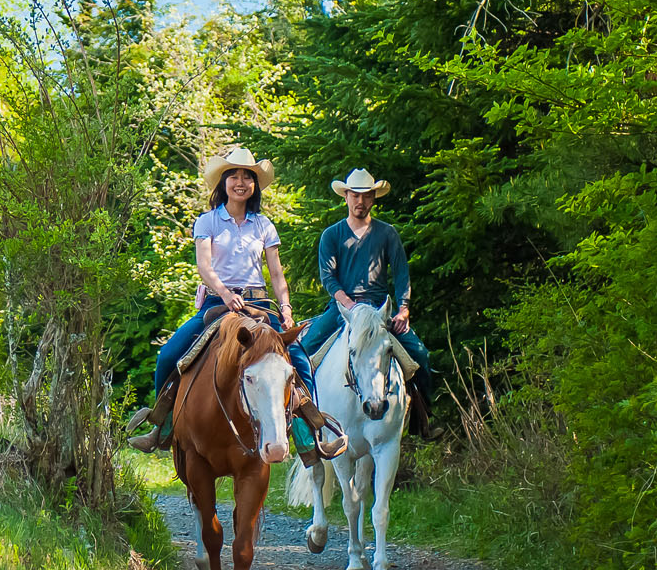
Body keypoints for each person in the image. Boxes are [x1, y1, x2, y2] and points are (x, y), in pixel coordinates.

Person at [127, 147, 345, 460]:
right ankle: (162, 426)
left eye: (248, 177)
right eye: (235, 176)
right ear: (224, 182)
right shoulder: (207, 221)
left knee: (298, 360)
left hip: (259, 303)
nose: (241, 182)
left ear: (255, 185)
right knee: (169, 354)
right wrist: (226, 294)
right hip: (217, 302)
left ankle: (311, 434)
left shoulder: (264, 225)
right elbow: (204, 266)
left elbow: (276, 273)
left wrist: (285, 309)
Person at [297, 167, 441, 439]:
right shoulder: (332, 235)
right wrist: (347, 304)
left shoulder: (387, 233)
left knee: (420, 354)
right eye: (355, 195)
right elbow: (328, 277)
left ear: (373, 198)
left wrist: (403, 310)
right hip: (342, 310)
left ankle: (422, 420)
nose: (360, 201)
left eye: (366, 195)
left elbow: (401, 273)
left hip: (378, 310)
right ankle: (304, 424)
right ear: (346, 197)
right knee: (303, 352)